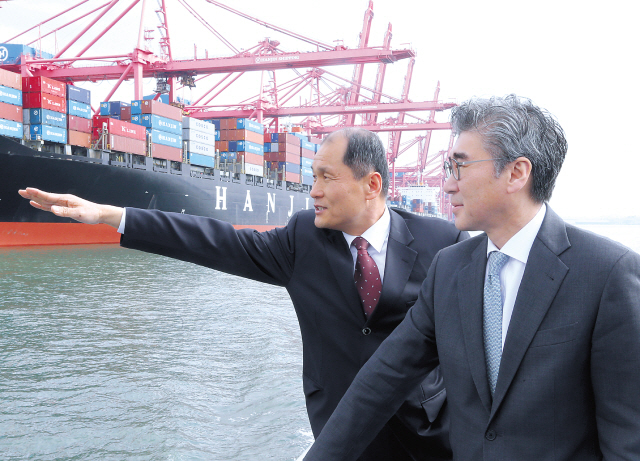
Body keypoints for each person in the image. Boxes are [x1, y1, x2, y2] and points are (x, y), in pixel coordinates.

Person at [20, 127, 468, 461]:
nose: (311, 191)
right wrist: (109, 214)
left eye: (325, 178)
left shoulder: (440, 241)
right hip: (337, 439)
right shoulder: (302, 241)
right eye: (311, 176)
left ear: (371, 185)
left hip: (424, 438)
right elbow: (217, 241)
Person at [303, 96, 640, 461]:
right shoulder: (449, 269)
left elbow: (628, 437)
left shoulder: (608, 274)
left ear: (516, 173)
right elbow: (381, 381)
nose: (448, 185)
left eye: (459, 167)